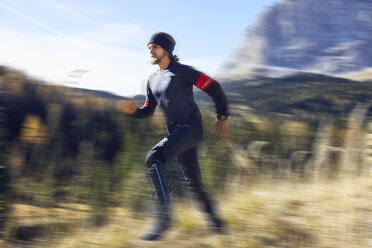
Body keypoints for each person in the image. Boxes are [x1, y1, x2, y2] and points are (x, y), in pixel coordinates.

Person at [117, 32, 229, 241]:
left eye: (155, 46)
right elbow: (149, 110)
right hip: (177, 133)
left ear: (166, 50)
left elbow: (214, 87)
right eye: (149, 47)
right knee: (193, 182)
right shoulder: (152, 80)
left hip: (191, 128)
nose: (150, 50)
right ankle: (216, 223)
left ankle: (164, 218)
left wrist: (222, 116)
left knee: (154, 157)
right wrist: (134, 111)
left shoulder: (182, 72)